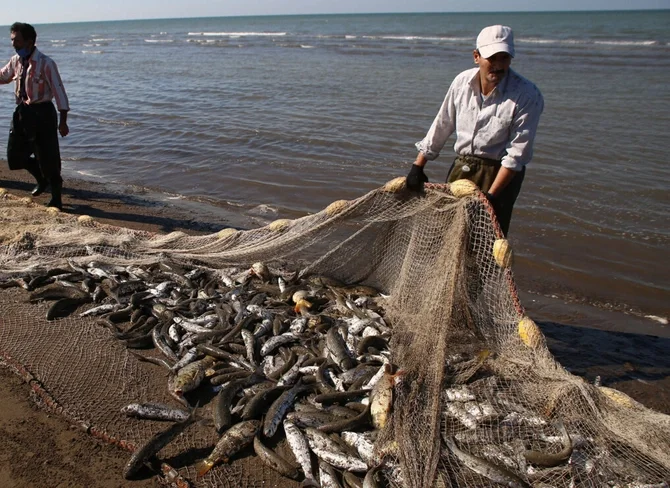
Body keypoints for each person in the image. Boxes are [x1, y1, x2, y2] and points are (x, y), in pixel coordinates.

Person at [406, 25, 543, 236]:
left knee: (485, 239)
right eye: (492, 58)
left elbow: (517, 155)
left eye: (504, 58)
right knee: (448, 230)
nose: (498, 65)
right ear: (476, 56)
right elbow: (443, 124)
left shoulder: (527, 95)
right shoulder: (461, 83)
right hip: (463, 166)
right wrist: (418, 165)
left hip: (500, 173)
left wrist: (492, 197)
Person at [0, 22, 70, 210]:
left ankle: (56, 198)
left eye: (17, 41)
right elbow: (4, 77)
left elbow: (60, 93)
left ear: (30, 42)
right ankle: (41, 178)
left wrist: (63, 122)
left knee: (48, 157)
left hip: (43, 113)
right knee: (14, 157)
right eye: (13, 40)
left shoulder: (46, 63)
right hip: (23, 112)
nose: (14, 44)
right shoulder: (16, 60)